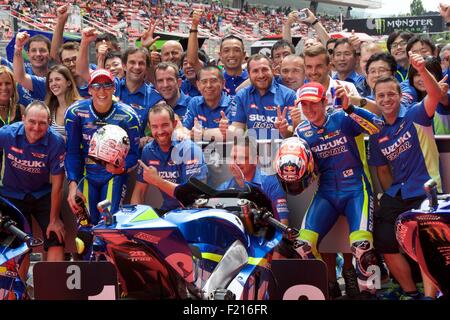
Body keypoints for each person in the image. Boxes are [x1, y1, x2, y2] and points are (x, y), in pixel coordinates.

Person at [291, 81, 383, 299]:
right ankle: (325, 288)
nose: (309, 110)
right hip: (327, 192)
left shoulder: (343, 117)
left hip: (356, 189)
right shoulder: (301, 131)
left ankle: (372, 293)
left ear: (325, 102)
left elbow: (377, 127)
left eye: (313, 104)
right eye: (304, 105)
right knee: (302, 246)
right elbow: (305, 170)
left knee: (362, 247)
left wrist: (350, 108)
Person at [368, 53, 448, 299]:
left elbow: (436, 95)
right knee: (383, 240)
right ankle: (410, 293)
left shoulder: (416, 114)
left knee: (426, 244)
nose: (386, 99)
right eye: (381, 95)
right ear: (375, 99)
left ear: (401, 96)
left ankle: (429, 296)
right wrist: (386, 195)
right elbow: (382, 170)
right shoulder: (376, 131)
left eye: (391, 94)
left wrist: (422, 69)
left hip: (427, 191)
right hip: (397, 193)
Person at [65, 69, 140, 226]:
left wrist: (121, 168)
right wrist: (73, 184)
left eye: (107, 85)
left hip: (114, 176)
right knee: (85, 227)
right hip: (86, 176)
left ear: (114, 88)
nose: (102, 91)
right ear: (90, 89)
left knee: (108, 225)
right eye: (97, 86)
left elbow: (134, 154)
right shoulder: (75, 112)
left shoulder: (129, 116)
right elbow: (72, 153)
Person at [0, 101, 66, 263]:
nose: (36, 127)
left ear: (49, 123)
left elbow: (58, 184)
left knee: (56, 237)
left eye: (42, 123)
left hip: (42, 194)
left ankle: (53, 287)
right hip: (12, 195)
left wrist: (54, 220)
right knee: (18, 247)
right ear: (23, 119)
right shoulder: (6, 134)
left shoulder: (56, 142)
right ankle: (18, 288)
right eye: (32, 122)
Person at [130, 102, 207, 214]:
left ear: (174, 124)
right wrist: (133, 221)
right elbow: (139, 193)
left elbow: (192, 197)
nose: (160, 131)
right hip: (167, 213)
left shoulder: (190, 150)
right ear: (149, 127)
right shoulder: (148, 151)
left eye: (165, 125)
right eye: (155, 126)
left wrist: (157, 181)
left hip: (192, 213)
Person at [229, 54, 296, 139]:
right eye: (255, 71)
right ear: (249, 75)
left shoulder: (289, 95)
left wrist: (284, 130)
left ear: (272, 71)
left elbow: (293, 131)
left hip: (282, 149)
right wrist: (228, 130)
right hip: (253, 149)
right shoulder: (242, 95)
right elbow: (238, 126)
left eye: (264, 69)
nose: (261, 75)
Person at [188, 10, 248, 96]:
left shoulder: (254, 78)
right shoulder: (212, 76)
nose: (231, 55)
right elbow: (192, 60)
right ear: (220, 55)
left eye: (236, 50)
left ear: (244, 55)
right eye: (226, 50)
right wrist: (194, 25)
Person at [44, 65, 82, 139]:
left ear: (68, 82)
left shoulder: (81, 106)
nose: (53, 83)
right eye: (50, 81)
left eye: (57, 79)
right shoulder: (49, 107)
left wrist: (59, 139)